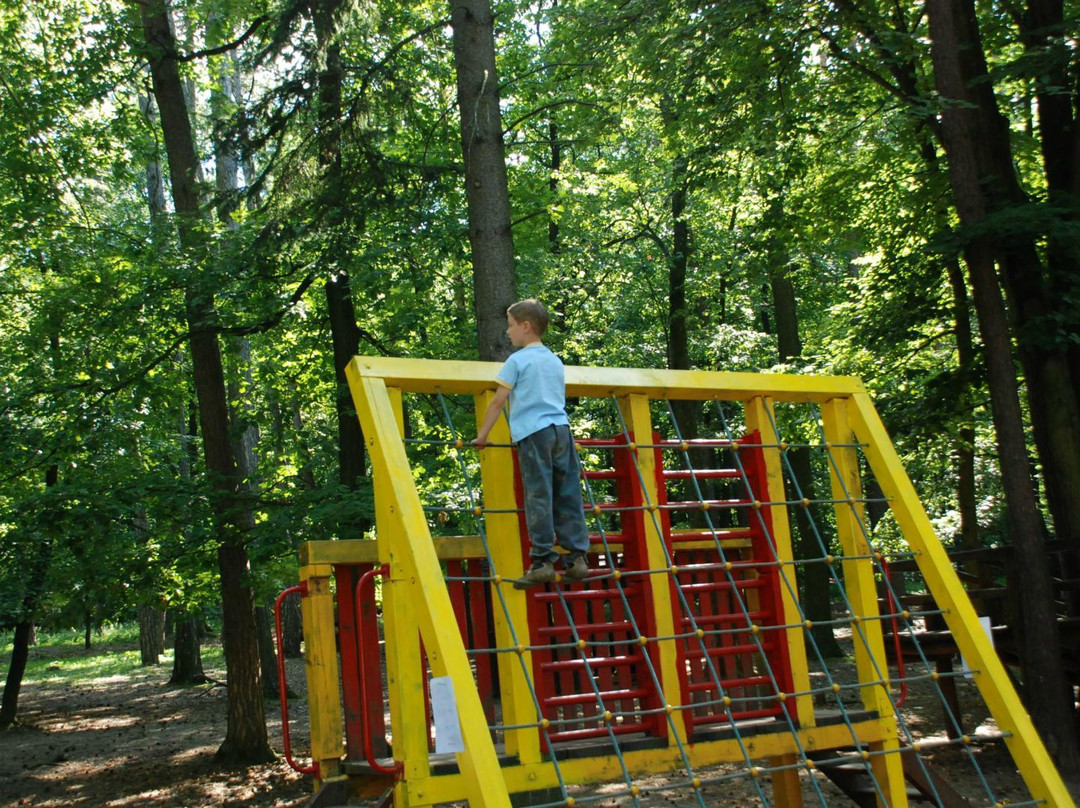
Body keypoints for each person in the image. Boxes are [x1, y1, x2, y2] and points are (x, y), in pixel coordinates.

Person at [473, 299, 591, 588]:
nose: (507, 331)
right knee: (567, 491)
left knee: (539, 493)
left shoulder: (517, 360)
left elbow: (499, 400)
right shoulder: (553, 359)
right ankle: (576, 557)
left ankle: (542, 560)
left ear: (526, 326)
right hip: (562, 431)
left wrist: (483, 436)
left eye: (511, 325)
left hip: (534, 434)